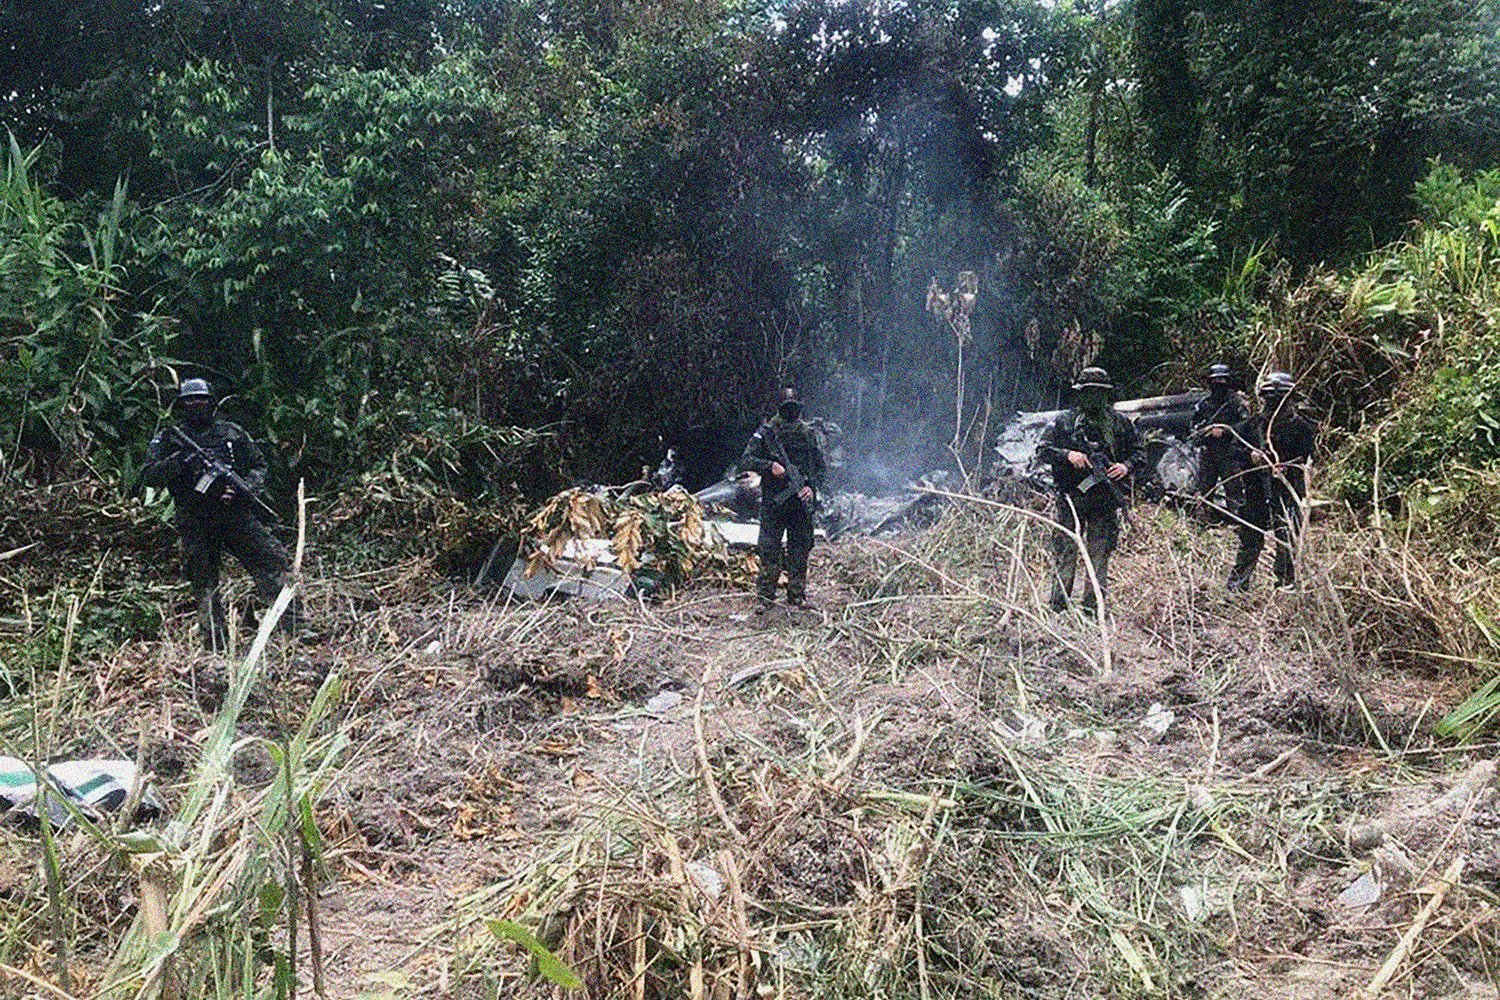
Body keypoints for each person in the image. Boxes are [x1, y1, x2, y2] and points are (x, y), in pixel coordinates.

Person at [141, 378, 295, 651]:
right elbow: (149, 476)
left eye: (201, 400)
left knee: (272, 563)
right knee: (203, 581)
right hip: (195, 518)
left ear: (212, 403)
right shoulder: (169, 438)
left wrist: (244, 489)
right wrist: (179, 461)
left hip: (235, 516)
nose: (196, 406)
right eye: (189, 401)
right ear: (180, 405)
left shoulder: (232, 433)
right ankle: (215, 644)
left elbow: (258, 464)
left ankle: (293, 628)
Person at [1037, 367, 1147, 614]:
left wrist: (1125, 466)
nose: (1094, 398)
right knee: (1066, 549)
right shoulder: (1064, 422)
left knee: (1099, 551)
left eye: (1099, 392)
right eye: (1089, 392)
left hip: (1104, 499)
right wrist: (1068, 455)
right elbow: (1042, 450)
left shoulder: (1119, 423)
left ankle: (1092, 605)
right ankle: (1058, 605)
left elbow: (1140, 453)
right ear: (1080, 393)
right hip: (1071, 496)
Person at [1227, 371, 1317, 591]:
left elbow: (1309, 454)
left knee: (1287, 540)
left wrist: (1288, 465)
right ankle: (1237, 587)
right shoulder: (1251, 425)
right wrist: (1252, 457)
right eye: (1270, 399)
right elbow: (1234, 451)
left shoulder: (1302, 426)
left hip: (1286, 492)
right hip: (1256, 491)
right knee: (1250, 541)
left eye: (1280, 400)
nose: (1275, 405)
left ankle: (1286, 585)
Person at [739, 387, 827, 608]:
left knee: (800, 548)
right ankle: (766, 598)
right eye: (787, 408)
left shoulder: (808, 433)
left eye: (794, 407)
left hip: (800, 502)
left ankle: (797, 595)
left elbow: (820, 467)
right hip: (774, 501)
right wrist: (770, 466)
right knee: (769, 549)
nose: (791, 412)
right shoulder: (767, 432)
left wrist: (811, 488)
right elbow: (746, 461)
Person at [1191, 362, 1248, 520]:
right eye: (1215, 382)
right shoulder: (1204, 405)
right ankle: (1203, 522)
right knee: (1204, 490)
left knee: (1234, 491)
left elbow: (1246, 427)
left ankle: (1238, 522)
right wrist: (1207, 432)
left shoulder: (1236, 403)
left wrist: (1226, 431)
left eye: (1222, 382)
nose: (1218, 386)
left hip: (1230, 453)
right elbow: (1193, 429)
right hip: (1209, 452)